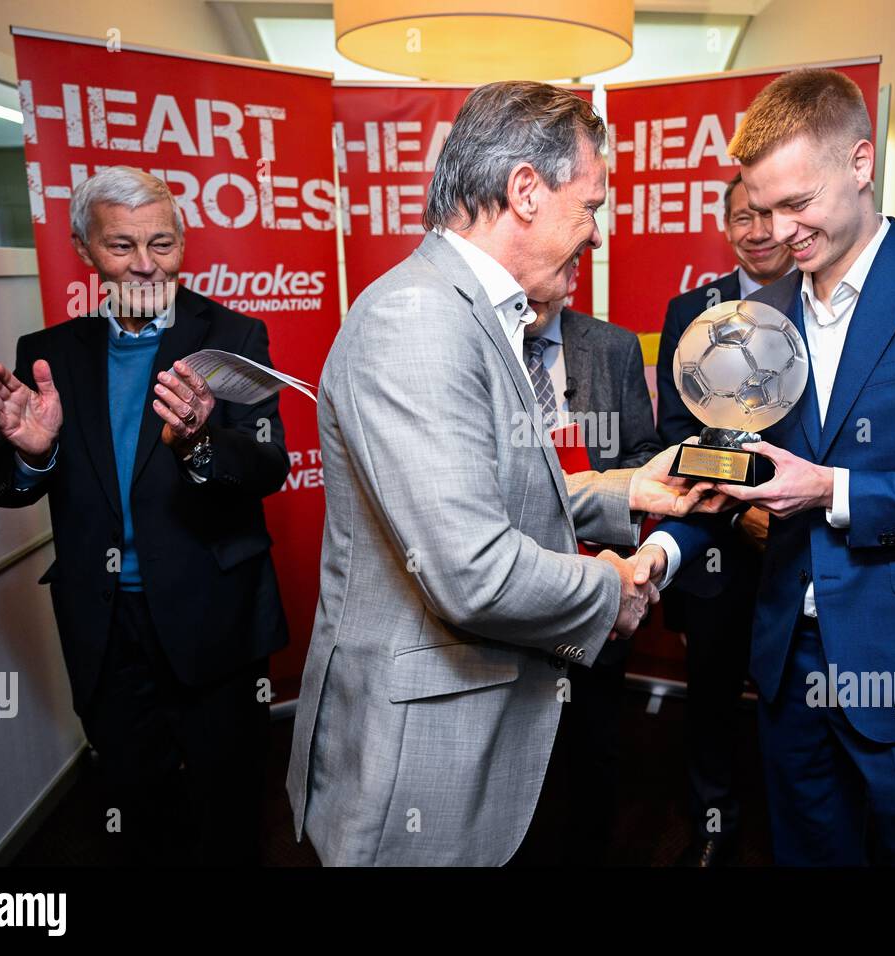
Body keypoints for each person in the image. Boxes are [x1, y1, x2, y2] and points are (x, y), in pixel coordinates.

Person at [286, 81, 724, 867]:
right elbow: (471, 569)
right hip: (419, 756)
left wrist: (631, 489)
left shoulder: (477, 315)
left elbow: (495, 490)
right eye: (589, 206)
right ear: (526, 190)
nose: (596, 234)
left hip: (485, 720)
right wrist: (614, 593)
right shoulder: (418, 321)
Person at [639, 69, 895, 865]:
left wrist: (836, 490)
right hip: (789, 670)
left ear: (862, 163)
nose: (778, 231)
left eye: (800, 203)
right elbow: (729, 480)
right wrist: (655, 557)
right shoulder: (757, 326)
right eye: (760, 211)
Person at [0, 166, 290, 865]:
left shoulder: (232, 334)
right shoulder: (48, 355)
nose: (147, 264)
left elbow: (269, 465)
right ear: (85, 249)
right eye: (122, 246)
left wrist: (204, 440)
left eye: (162, 242)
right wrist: (32, 454)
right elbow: (0, 484)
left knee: (229, 809)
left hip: (214, 622)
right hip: (106, 629)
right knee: (134, 811)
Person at [654, 173, 793, 866]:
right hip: (718, 539)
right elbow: (678, 433)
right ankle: (713, 822)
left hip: (809, 541)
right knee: (710, 691)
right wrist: (744, 514)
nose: (758, 231)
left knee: (796, 692)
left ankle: (789, 823)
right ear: (726, 225)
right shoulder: (691, 310)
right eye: (744, 217)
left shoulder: (823, 302)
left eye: (770, 216)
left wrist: (785, 509)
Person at [519, 295, 663, 864]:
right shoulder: (474, 340)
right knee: (512, 745)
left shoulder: (612, 346)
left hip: (599, 578)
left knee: (594, 739)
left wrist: (606, 499)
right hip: (508, 584)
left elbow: (646, 452)